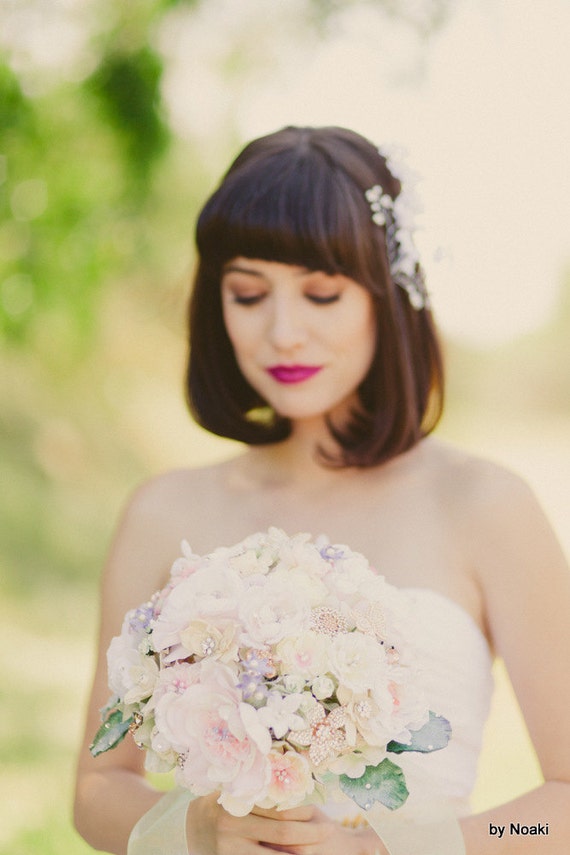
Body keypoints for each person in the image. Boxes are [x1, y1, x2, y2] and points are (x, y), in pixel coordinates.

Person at [74, 126, 570, 855]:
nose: (282, 332)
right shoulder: (162, 511)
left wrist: (390, 849)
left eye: (321, 293)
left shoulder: (487, 507)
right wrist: (198, 828)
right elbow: (94, 791)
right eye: (248, 293)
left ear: (385, 295)